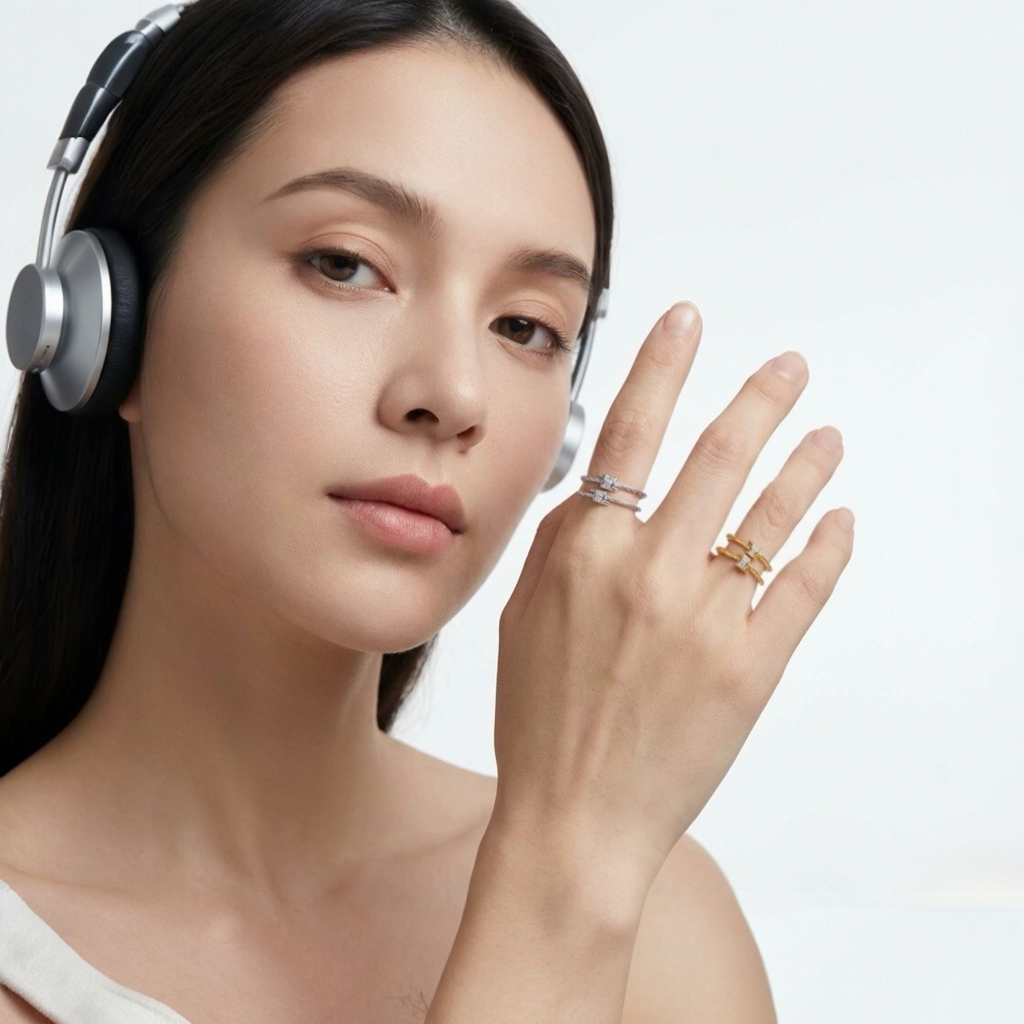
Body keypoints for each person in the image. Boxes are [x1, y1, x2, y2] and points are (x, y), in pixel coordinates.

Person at [0, 0, 854, 1020]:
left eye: (526, 326)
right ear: (101, 325)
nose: (452, 394)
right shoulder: (588, 879)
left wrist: (575, 862)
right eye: (345, 264)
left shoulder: (660, 917)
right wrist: (558, 888)